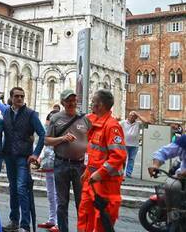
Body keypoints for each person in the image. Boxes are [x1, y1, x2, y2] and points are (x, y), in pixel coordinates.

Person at [77, 90, 126, 232]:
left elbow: (118, 155)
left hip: (106, 184)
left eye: (93, 102)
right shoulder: (97, 124)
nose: (91, 105)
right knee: (85, 215)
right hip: (91, 180)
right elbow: (93, 154)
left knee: (103, 221)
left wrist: (100, 173)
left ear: (100, 105)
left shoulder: (112, 126)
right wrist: (87, 171)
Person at [44, 90, 90, 232]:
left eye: (73, 100)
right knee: (62, 203)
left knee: (81, 203)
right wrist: (62, 139)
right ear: (63, 102)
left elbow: (93, 139)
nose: (71, 103)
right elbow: (46, 140)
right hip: (61, 164)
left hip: (80, 165)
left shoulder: (85, 119)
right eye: (68, 100)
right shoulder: (55, 118)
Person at [1, 87, 45, 232]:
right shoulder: (6, 112)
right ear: (11, 98)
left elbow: (42, 134)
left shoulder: (30, 114)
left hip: (23, 157)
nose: (20, 99)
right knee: (13, 188)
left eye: (22, 96)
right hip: (8, 155)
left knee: (21, 188)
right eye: (17, 96)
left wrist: (36, 154)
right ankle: (14, 220)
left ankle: (25, 225)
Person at [37, 105, 61, 232]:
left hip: (58, 166)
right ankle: (52, 219)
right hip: (48, 166)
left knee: (58, 195)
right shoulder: (48, 131)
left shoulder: (63, 133)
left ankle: (58, 222)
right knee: (50, 194)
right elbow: (44, 146)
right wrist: (40, 157)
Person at [121, 111, 150, 178]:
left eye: (133, 116)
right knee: (123, 159)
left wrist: (138, 114)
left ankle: (128, 174)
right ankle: (121, 173)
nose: (131, 116)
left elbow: (146, 122)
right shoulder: (123, 122)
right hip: (124, 144)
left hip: (134, 145)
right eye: (130, 115)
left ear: (136, 117)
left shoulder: (138, 124)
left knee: (131, 159)